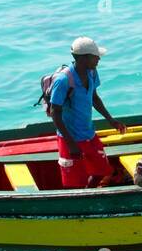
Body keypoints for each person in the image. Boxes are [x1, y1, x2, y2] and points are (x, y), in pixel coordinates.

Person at [50, 36, 126, 189]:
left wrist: (111, 120)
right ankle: (78, 199)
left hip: (88, 133)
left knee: (102, 169)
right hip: (69, 137)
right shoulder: (63, 81)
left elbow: (94, 97)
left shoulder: (92, 72)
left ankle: (89, 191)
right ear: (84, 58)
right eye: (95, 56)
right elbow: (55, 113)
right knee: (72, 181)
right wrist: (71, 143)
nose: (98, 59)